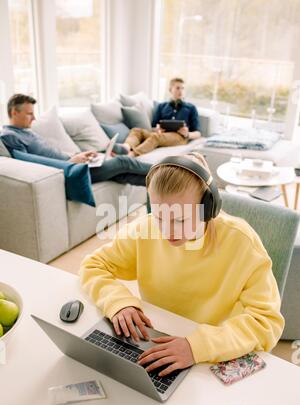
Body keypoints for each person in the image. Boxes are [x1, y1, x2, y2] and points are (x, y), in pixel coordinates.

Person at [79, 152, 284, 377]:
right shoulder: (145, 229)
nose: (167, 231)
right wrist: (118, 303)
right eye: (159, 216)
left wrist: (197, 347)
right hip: (154, 341)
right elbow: (93, 265)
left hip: (211, 354)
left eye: (180, 219)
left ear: (209, 207)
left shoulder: (242, 242)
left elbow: (266, 322)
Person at [1, 94, 152, 187]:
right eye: (29, 114)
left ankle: (167, 187)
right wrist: (70, 162)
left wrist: (78, 155)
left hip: (74, 162)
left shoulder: (26, 131)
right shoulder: (9, 136)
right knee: (123, 162)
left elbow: (51, 153)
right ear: (14, 112)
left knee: (124, 175)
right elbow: (30, 164)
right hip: (68, 170)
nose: (34, 118)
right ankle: (169, 171)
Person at [118, 77, 201, 157]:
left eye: (183, 88)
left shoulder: (191, 108)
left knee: (155, 137)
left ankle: (131, 155)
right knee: (136, 130)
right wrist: (157, 129)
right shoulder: (162, 106)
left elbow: (198, 133)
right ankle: (125, 148)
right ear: (170, 89)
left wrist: (187, 134)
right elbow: (153, 127)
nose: (181, 91)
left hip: (179, 137)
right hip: (162, 135)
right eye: (178, 88)